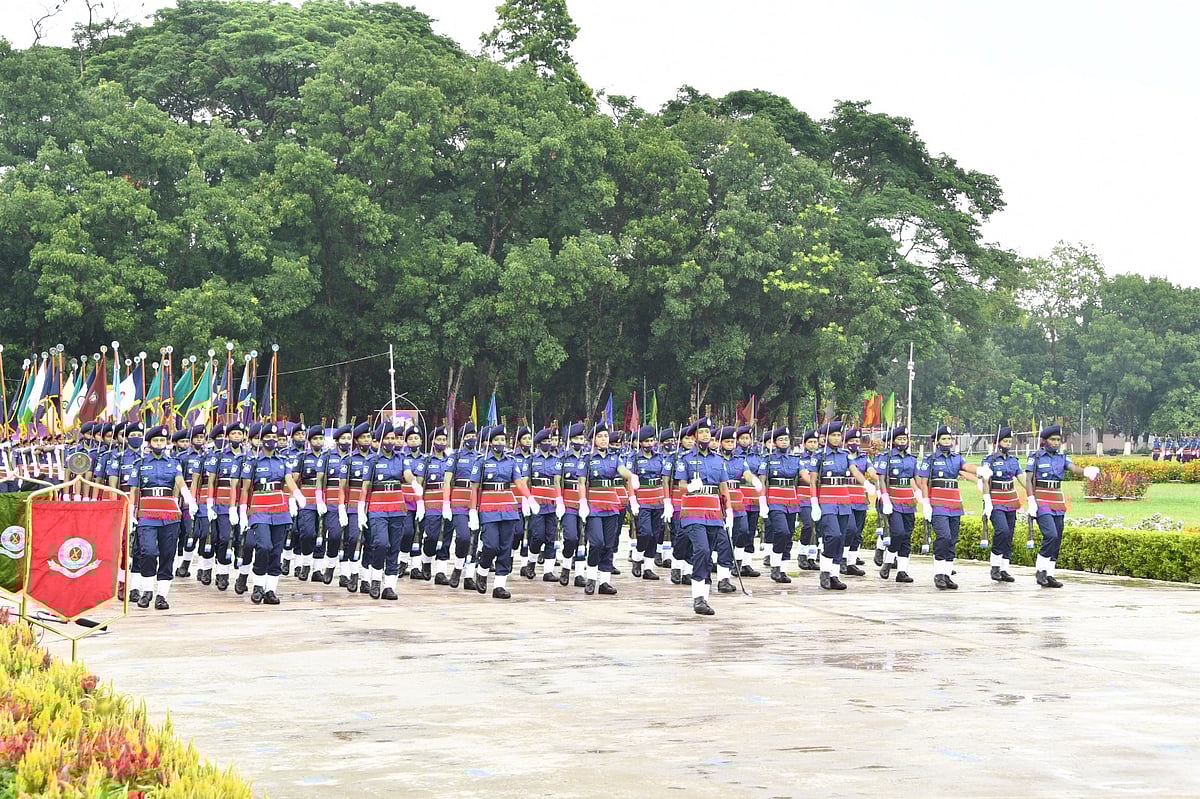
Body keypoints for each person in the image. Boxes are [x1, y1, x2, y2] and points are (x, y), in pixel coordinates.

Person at [129, 425, 198, 610]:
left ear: (166, 443)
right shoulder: (141, 463)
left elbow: (180, 482)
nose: (159, 443)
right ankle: (147, 590)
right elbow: (134, 490)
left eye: (162, 440)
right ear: (149, 443)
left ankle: (161, 595)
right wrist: (130, 511)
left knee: (168, 554)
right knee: (148, 552)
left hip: (169, 515)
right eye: (155, 440)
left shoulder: (174, 463)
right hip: (147, 515)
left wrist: (190, 499)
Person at [673, 418, 737, 615]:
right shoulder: (685, 459)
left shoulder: (718, 459)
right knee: (701, 550)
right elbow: (680, 484)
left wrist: (729, 510)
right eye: (701, 432)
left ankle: (704, 597)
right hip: (693, 512)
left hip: (713, 513)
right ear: (693, 436)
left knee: (708, 554)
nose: (705, 435)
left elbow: (723, 486)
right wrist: (690, 486)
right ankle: (697, 597)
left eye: (708, 432)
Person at [1025, 425, 1099, 587]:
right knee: (1050, 534)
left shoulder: (1062, 457)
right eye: (1053, 439)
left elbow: (1073, 468)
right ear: (1044, 441)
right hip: (1041, 499)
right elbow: (1029, 480)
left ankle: (1050, 574)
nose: (1056, 443)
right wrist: (1031, 500)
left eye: (1058, 440)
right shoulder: (1036, 457)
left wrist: (1086, 471)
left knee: (1057, 538)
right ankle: (1040, 570)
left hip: (1057, 500)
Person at [240, 423, 305, 605]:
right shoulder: (252, 463)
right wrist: (243, 511)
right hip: (259, 509)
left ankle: (270, 590)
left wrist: (297, 494)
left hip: (280, 509)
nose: (272, 441)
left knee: (276, 550)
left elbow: (288, 481)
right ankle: (258, 585)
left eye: (275, 438)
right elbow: (245, 489)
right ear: (261, 441)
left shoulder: (283, 461)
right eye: (268, 438)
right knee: (264, 546)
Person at [915, 426, 985, 590]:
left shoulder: (956, 458)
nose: (947, 442)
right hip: (937, 503)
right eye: (944, 439)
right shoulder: (930, 459)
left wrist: (980, 470)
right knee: (944, 537)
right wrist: (926, 503)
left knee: (952, 539)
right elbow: (924, 483)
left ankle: (947, 575)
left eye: (949, 439)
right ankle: (938, 574)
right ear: (937, 442)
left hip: (954, 503)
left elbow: (967, 468)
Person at [811, 422, 876, 590]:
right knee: (832, 535)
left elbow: (855, 471)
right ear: (826, 437)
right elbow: (813, 481)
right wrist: (813, 502)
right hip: (826, 501)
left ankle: (834, 574)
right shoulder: (819, 455)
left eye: (839, 435)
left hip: (843, 501)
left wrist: (866, 484)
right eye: (833, 435)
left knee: (841, 537)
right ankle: (825, 572)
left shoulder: (845, 455)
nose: (836, 438)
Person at [473, 425, 533, 599]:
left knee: (505, 548)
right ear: (490, 442)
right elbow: (475, 488)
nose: (500, 443)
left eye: (503, 440)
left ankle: (499, 585)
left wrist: (529, 498)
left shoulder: (511, 461)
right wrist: (472, 511)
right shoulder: (482, 461)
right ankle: (482, 570)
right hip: (488, 508)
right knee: (491, 545)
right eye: (497, 440)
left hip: (508, 508)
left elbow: (520, 483)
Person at [579, 422, 638, 595]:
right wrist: (583, 502)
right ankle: (591, 578)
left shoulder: (614, 457)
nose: (604, 439)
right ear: (593, 440)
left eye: (606, 436)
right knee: (597, 542)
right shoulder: (587, 458)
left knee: (609, 544)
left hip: (611, 506)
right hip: (594, 506)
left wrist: (632, 476)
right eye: (600, 436)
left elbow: (622, 471)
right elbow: (582, 482)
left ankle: (604, 581)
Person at [362, 422, 408, 600]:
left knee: (394, 548)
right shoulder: (372, 460)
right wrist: (361, 508)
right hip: (377, 508)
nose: (391, 441)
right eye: (387, 438)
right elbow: (366, 486)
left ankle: (389, 586)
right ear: (380, 440)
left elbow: (408, 474)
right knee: (381, 543)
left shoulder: (401, 458)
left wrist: (414, 484)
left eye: (393, 438)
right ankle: (375, 580)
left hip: (397, 508)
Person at [758, 427, 809, 584]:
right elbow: (762, 481)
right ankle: (774, 565)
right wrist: (762, 500)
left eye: (786, 439)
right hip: (774, 499)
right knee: (781, 531)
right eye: (780, 439)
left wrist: (816, 483)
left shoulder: (796, 459)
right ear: (774, 442)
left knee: (789, 535)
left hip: (791, 500)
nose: (784, 442)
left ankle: (783, 569)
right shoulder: (767, 459)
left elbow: (805, 476)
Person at [979, 427, 1025, 583]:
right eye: (1005, 441)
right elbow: (985, 481)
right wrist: (987, 502)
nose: (1008, 444)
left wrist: (1034, 491)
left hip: (1011, 500)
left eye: (1010, 441)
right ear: (997, 443)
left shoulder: (1014, 461)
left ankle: (1005, 568)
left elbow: (1022, 478)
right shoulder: (989, 460)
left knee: (1009, 534)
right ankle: (995, 566)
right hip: (996, 500)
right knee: (1002, 530)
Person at [874, 426, 918, 584]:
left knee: (906, 536)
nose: (902, 442)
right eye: (899, 439)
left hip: (908, 501)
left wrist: (919, 494)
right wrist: (885, 498)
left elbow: (916, 478)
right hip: (892, 499)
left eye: (904, 439)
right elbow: (881, 479)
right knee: (898, 532)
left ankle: (902, 571)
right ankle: (888, 561)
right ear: (893, 441)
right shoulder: (886, 457)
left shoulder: (911, 459)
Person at [414, 426, 455, 584]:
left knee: (446, 537)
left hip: (447, 502)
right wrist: (420, 504)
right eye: (438, 440)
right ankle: (426, 560)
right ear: (432, 442)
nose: (441, 442)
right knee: (431, 535)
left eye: (444, 440)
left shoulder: (451, 460)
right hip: (430, 502)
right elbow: (419, 483)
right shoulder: (426, 460)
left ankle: (441, 572)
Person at [524, 428, 565, 581]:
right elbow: (526, 481)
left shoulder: (556, 460)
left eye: (550, 441)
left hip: (551, 503)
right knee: (537, 536)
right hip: (537, 502)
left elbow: (556, 482)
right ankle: (531, 562)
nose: (548, 444)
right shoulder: (532, 459)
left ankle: (548, 571)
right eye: (545, 442)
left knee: (551, 536)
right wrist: (527, 500)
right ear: (539, 444)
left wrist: (559, 500)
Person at [340, 422, 374, 593]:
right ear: (357, 440)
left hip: (372, 507)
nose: (366, 440)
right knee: (353, 539)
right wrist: (341, 507)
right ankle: (353, 574)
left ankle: (365, 578)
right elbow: (343, 486)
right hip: (353, 506)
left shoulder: (376, 458)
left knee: (371, 542)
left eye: (368, 436)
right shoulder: (349, 459)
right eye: (363, 437)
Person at [317, 424, 351, 585]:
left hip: (350, 503)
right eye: (343, 438)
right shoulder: (327, 456)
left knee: (350, 539)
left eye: (349, 438)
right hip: (332, 503)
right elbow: (320, 480)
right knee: (335, 536)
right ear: (337, 440)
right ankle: (330, 566)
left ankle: (345, 573)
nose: (346, 441)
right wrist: (319, 499)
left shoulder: (355, 457)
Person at [291, 425, 326, 583]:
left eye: (321, 438)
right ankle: (305, 564)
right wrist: (293, 498)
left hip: (325, 498)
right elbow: (294, 479)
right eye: (315, 438)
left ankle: (317, 568)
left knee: (322, 534)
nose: (319, 441)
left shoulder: (328, 456)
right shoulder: (303, 457)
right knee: (308, 532)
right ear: (310, 441)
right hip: (307, 498)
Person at [841, 428, 876, 576]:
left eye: (857, 441)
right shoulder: (842, 456)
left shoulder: (864, 456)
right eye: (852, 441)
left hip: (860, 498)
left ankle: (851, 562)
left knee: (858, 532)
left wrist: (876, 481)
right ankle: (841, 558)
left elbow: (871, 471)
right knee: (849, 529)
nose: (855, 443)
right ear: (846, 442)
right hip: (845, 497)